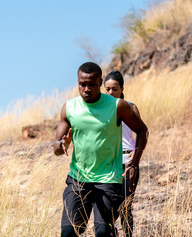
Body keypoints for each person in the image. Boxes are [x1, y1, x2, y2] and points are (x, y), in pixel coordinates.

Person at [54, 62, 148, 237]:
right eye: (83, 84)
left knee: (103, 232)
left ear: (100, 82)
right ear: (78, 83)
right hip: (78, 180)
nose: (87, 89)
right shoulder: (69, 108)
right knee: (68, 233)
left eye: (92, 84)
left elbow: (142, 130)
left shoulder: (117, 106)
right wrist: (62, 145)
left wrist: (134, 164)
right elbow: (56, 146)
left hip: (108, 180)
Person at [104, 70, 141, 237]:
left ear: (122, 89)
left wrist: (136, 157)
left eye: (114, 89)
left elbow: (142, 132)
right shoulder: (101, 110)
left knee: (126, 207)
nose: (111, 93)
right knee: (107, 209)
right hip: (108, 164)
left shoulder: (131, 107)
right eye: (108, 89)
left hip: (128, 163)